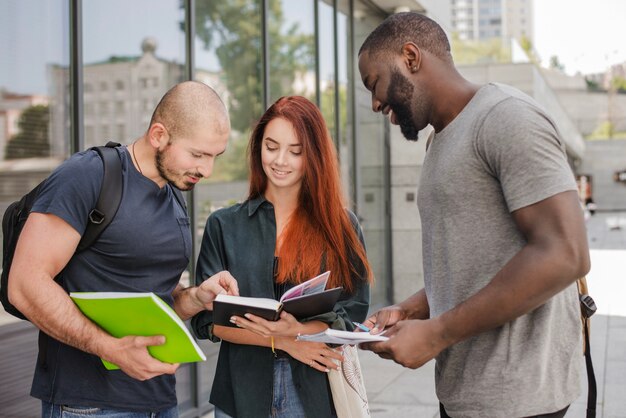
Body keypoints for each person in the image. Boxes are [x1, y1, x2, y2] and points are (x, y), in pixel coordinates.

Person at [356, 12, 590, 418]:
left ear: (410, 57)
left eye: (374, 83)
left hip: (520, 399)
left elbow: (565, 255)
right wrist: (412, 310)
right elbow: (476, 265)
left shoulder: (507, 118)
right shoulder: (439, 142)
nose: (375, 103)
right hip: (466, 393)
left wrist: (437, 334)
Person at [8, 81, 239, 418]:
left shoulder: (174, 192)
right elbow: (24, 284)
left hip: (159, 401)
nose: (207, 170)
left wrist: (195, 298)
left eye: (215, 157)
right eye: (197, 154)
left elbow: (150, 299)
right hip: (88, 405)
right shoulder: (88, 175)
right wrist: (111, 349)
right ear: (159, 135)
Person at [192, 95, 373, 418]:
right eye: (271, 146)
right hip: (240, 392)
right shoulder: (225, 225)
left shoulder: (341, 226)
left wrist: (298, 330)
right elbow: (206, 321)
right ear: (258, 147)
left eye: (296, 151)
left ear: (313, 156)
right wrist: (284, 341)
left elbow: (353, 312)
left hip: (314, 391)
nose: (280, 160)